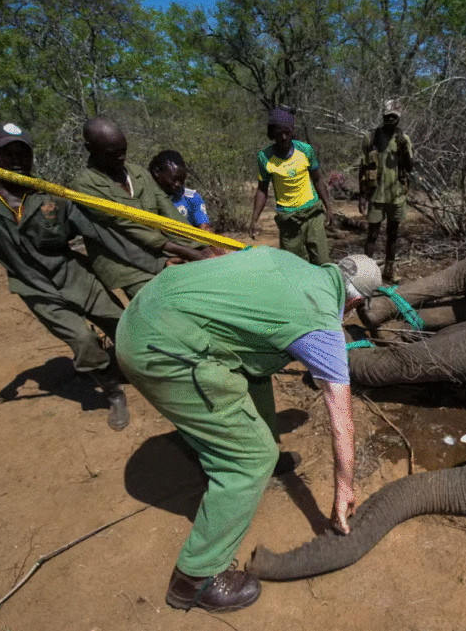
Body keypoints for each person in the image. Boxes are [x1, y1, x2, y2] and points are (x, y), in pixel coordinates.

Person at [114, 248, 383, 612]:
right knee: (250, 458)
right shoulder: (320, 326)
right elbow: (342, 419)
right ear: (353, 303)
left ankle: (253, 443)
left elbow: (223, 262)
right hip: (160, 348)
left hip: (146, 305)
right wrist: (345, 489)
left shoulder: (289, 262)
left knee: (254, 367)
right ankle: (194, 578)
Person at [0, 123, 155, 430]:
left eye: (23, 151)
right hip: (33, 285)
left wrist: (155, 259)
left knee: (122, 321)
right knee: (83, 339)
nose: (17, 159)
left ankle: (137, 367)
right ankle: (112, 391)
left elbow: (100, 233)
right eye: (8, 152)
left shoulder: (52, 195)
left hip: (74, 274)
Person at [71, 117, 211, 299]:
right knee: (162, 305)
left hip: (163, 251)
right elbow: (126, 225)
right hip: (127, 263)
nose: (122, 157)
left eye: (124, 150)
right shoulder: (84, 186)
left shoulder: (138, 174)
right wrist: (189, 253)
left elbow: (168, 212)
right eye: (113, 152)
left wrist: (201, 244)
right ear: (90, 149)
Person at [249, 107, 334, 266]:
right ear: (272, 134)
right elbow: (262, 189)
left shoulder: (305, 150)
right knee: (294, 265)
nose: (283, 137)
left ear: (292, 131)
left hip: (313, 213)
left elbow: (317, 179)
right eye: (278, 133)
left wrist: (328, 207)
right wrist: (254, 220)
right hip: (288, 218)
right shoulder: (265, 157)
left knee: (322, 262)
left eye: (286, 132)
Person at [359, 100, 414, 282]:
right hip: (375, 194)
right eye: (388, 116)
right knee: (372, 234)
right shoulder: (371, 137)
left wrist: (404, 150)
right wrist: (362, 195)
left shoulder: (403, 139)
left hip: (396, 195)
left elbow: (410, 167)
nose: (391, 119)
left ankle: (389, 271)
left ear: (398, 119)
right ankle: (367, 273)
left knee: (393, 234)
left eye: (394, 116)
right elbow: (363, 166)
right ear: (383, 116)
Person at [148, 150, 214, 232]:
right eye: (174, 179)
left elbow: (205, 228)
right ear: (157, 172)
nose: (178, 184)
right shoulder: (144, 196)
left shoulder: (192, 198)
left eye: (182, 180)